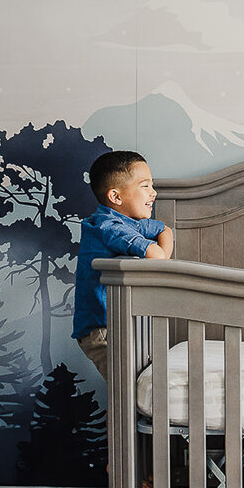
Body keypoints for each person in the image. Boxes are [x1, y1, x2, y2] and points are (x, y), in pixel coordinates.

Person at [73, 150, 174, 380]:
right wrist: (162, 266)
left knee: (129, 389)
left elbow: (165, 231)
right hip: (101, 329)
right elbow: (155, 255)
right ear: (116, 197)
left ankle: (118, 415)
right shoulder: (108, 227)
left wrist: (162, 263)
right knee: (125, 387)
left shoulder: (129, 222)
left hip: (119, 323)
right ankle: (116, 416)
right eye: (145, 186)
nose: (154, 193)